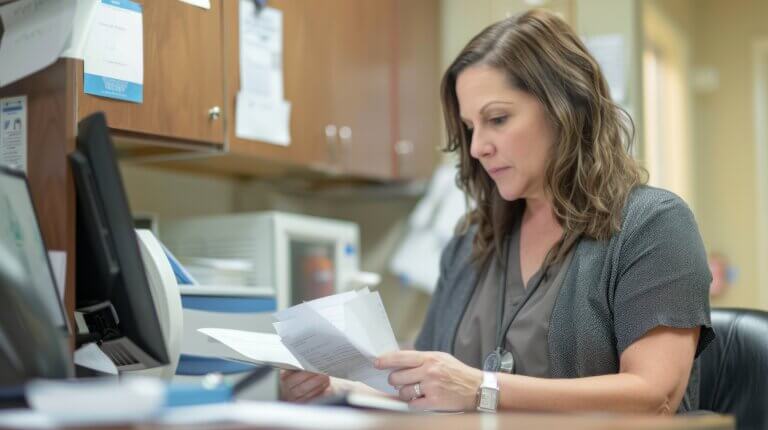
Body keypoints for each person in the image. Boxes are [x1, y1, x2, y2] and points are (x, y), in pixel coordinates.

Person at [280, 9, 713, 414]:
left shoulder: (653, 225)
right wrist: (337, 386)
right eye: (470, 127)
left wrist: (482, 389)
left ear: (566, 109)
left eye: (498, 119)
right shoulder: (470, 243)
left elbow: (656, 395)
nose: (476, 147)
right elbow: (428, 384)